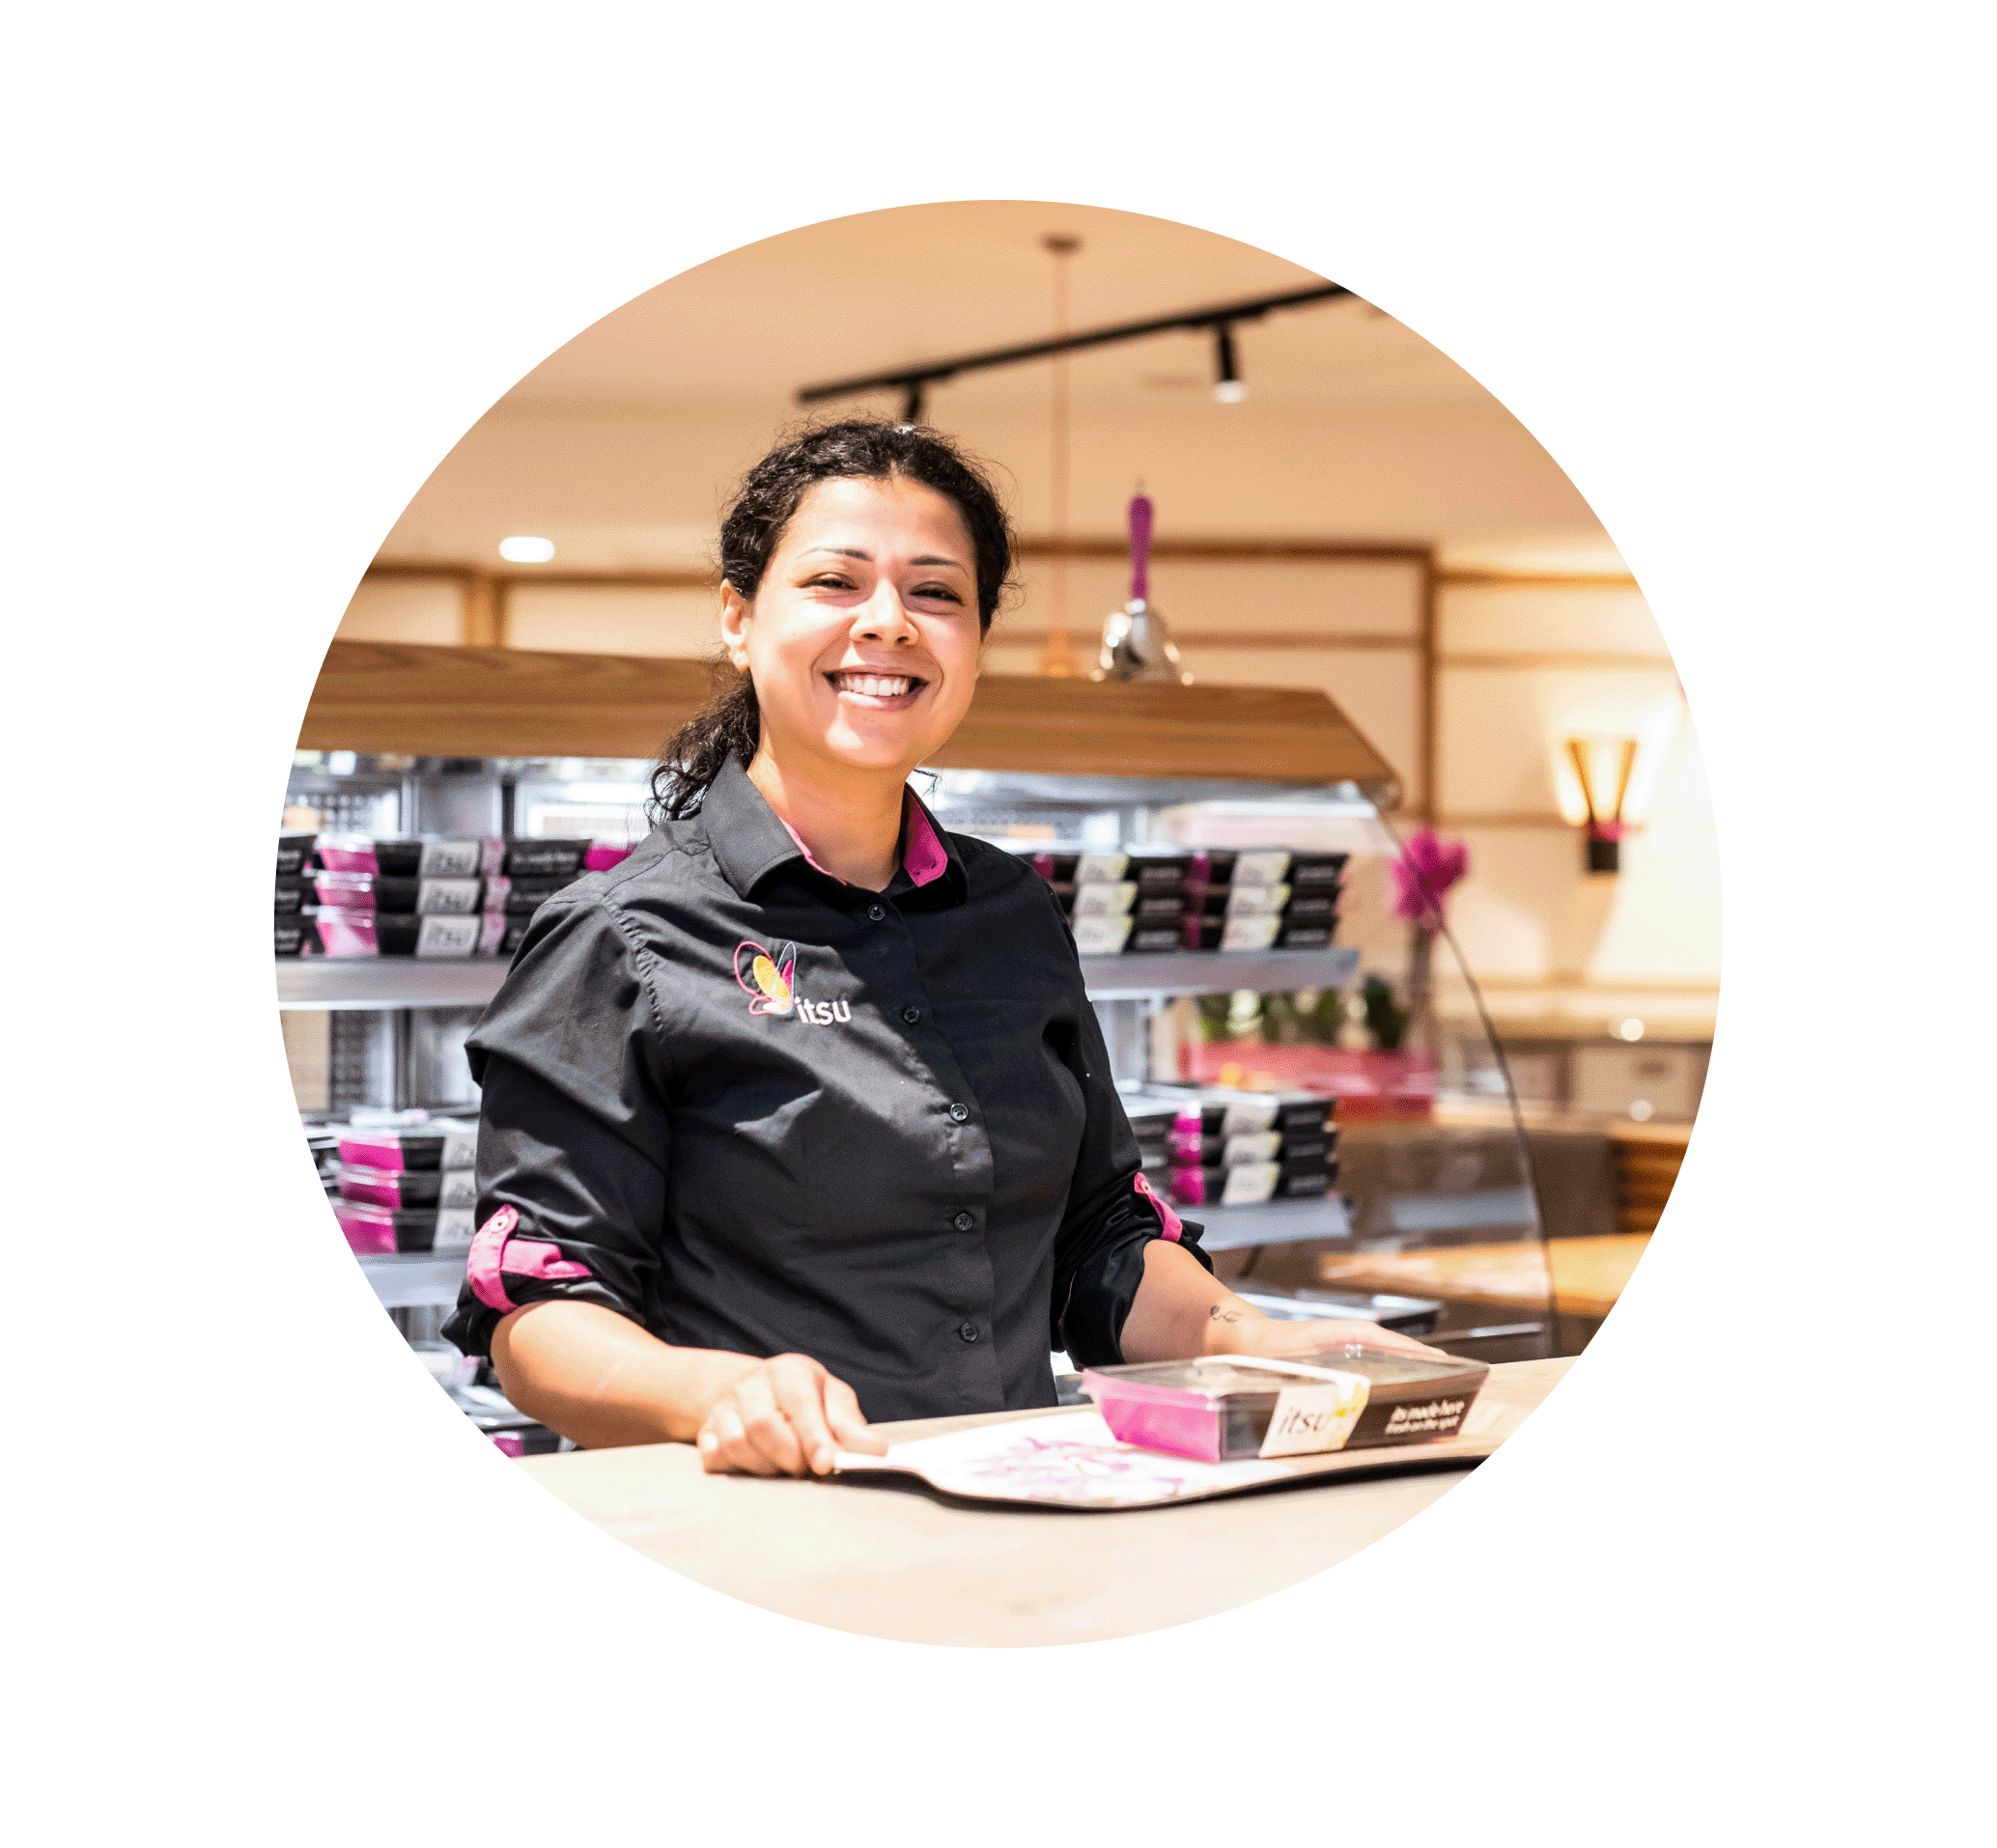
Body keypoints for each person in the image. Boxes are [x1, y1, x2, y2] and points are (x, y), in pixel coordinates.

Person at [441, 417, 1440, 1476]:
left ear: (976, 641)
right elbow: (537, 1309)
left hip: (1012, 1500)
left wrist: (1261, 1341)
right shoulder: (619, 935)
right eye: (835, 581)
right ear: (739, 618)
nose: (889, 622)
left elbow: (1098, 1236)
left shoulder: (1012, 911)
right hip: (758, 1521)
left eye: (935, 592)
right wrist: (714, 1394)